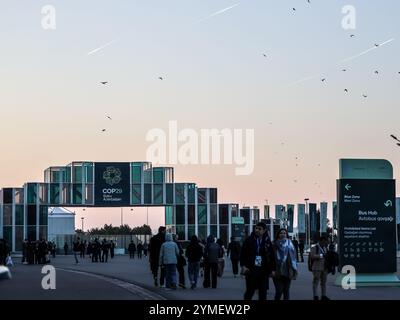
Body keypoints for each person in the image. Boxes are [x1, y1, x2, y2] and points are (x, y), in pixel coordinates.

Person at [240, 222, 276, 300]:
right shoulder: (249, 240)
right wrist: (243, 266)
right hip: (251, 269)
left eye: (260, 229)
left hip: (263, 270)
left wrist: (273, 269)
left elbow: (271, 256)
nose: (257, 230)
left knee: (263, 292)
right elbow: (243, 254)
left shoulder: (267, 241)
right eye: (256, 228)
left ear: (264, 230)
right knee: (250, 291)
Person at [272, 228, 298, 300]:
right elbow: (270, 258)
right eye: (281, 233)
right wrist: (272, 270)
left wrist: (294, 269)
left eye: (284, 233)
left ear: (286, 235)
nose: (283, 234)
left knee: (286, 291)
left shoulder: (290, 244)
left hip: (288, 270)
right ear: (278, 235)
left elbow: (294, 258)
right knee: (279, 291)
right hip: (277, 270)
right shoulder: (274, 244)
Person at [309, 236, 330, 300]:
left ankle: (323, 295)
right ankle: (315, 296)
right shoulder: (314, 247)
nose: (326, 242)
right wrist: (321, 255)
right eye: (325, 241)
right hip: (317, 268)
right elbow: (312, 256)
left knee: (323, 283)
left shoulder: (325, 248)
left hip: (324, 268)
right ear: (321, 240)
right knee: (316, 282)